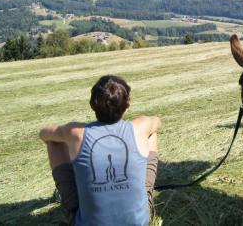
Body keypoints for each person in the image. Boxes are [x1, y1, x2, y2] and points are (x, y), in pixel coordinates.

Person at [39, 75, 161, 226]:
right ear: (127, 105)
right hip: (139, 222)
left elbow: (44, 133)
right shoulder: (140, 126)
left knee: (54, 142)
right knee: (151, 133)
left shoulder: (75, 132)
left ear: (92, 105)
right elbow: (157, 122)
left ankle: (69, 196)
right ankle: (143, 193)